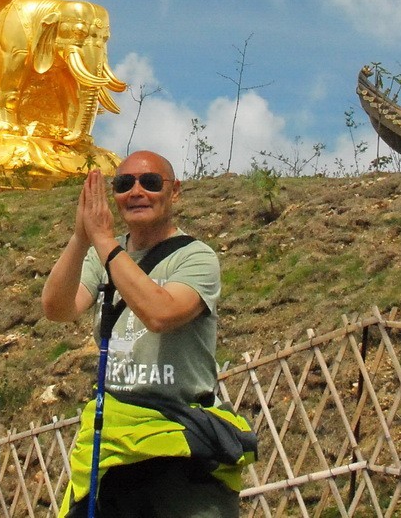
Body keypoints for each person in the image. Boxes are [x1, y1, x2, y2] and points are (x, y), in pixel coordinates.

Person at [42, 151, 255, 518]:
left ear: (175, 192)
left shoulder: (195, 257)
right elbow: (58, 308)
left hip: (177, 439)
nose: (136, 191)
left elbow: (162, 313)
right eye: (124, 184)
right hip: (113, 438)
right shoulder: (101, 258)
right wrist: (81, 238)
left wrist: (104, 242)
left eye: (150, 182)